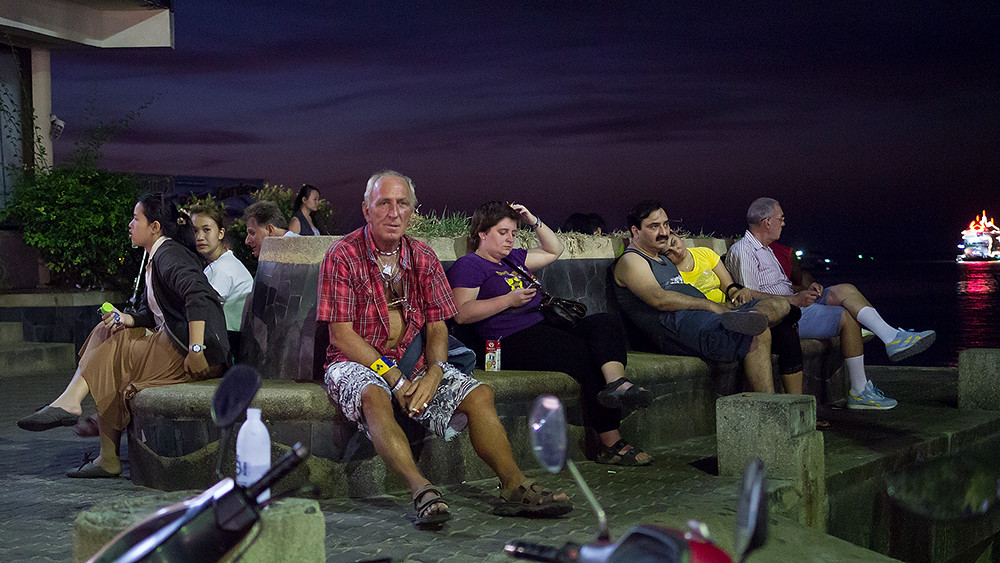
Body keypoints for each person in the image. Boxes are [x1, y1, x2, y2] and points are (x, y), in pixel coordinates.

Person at [317, 171, 571, 527]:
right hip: (356, 361)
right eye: (384, 203)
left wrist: (435, 372)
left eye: (402, 204)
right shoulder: (342, 255)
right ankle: (421, 489)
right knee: (373, 395)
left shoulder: (422, 256)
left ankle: (513, 485)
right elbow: (341, 335)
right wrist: (393, 378)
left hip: (414, 360)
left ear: (412, 211)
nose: (394, 212)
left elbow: (437, 325)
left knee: (479, 394)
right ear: (366, 209)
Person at [16, 194, 229, 478]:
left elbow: (198, 294)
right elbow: (152, 313)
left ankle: (88, 430)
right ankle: (84, 424)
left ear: (154, 227)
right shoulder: (154, 257)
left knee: (113, 356)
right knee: (109, 332)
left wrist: (196, 349)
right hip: (176, 345)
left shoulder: (168, 254)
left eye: (136, 218)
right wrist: (125, 319)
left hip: (193, 356)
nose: (130, 224)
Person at [447, 201, 653, 466]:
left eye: (513, 232)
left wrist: (533, 220)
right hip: (509, 339)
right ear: (482, 234)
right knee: (586, 356)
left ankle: (617, 384)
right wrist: (508, 301)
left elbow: (554, 249)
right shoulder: (470, 265)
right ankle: (610, 443)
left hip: (543, 324)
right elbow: (462, 313)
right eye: (503, 232)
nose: (510, 239)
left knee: (605, 323)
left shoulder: (512, 259)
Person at [726, 197, 936, 410]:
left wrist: (805, 290)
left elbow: (779, 287)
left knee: (845, 289)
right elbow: (749, 298)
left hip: (795, 301)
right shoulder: (744, 250)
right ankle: (860, 391)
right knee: (846, 317)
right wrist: (795, 299)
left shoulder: (766, 250)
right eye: (781, 219)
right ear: (767, 222)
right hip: (784, 314)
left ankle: (891, 337)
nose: (784, 223)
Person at [612, 200, 792, 393]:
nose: (664, 232)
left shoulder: (662, 258)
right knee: (757, 333)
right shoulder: (631, 260)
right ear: (636, 231)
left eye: (666, 224)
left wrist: (731, 296)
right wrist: (710, 305)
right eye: (654, 226)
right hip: (677, 327)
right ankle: (768, 405)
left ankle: (750, 317)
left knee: (780, 304)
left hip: (704, 318)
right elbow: (659, 299)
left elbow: (690, 261)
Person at [664, 234, 807, 397]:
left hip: (734, 309)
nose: (676, 251)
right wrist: (723, 307)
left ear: (680, 237)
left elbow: (729, 287)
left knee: (785, 327)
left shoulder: (704, 253)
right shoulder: (670, 273)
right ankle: (775, 404)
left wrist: (739, 293)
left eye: (675, 243)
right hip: (712, 316)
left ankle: (797, 401)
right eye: (669, 253)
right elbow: (690, 305)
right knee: (767, 330)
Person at [189, 203, 254, 357]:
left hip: (231, 347)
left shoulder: (222, 268)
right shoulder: (221, 263)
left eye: (206, 230)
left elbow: (200, 308)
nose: (199, 237)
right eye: (195, 231)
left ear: (221, 233)